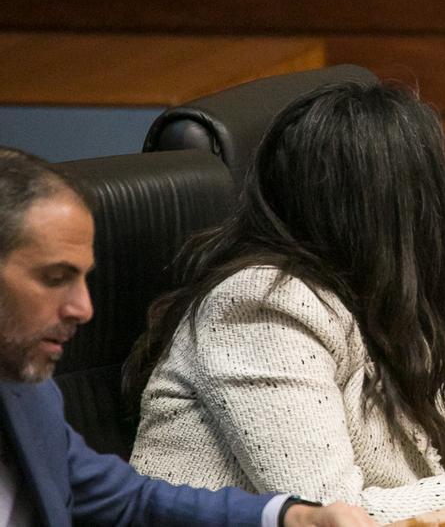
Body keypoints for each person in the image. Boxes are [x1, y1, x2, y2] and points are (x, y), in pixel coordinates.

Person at [125, 82, 445, 524]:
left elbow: (421, 477)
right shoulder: (260, 306)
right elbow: (331, 512)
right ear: (399, 208)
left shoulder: (386, 301)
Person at [0, 148, 373, 527]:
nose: (84, 308)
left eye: (84, 278)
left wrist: (290, 516)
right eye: (55, 278)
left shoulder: (26, 392)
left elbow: (130, 501)